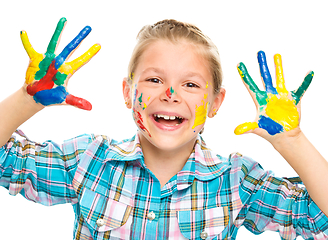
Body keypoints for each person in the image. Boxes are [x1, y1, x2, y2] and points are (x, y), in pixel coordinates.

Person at [0, 17, 327, 240]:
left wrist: (292, 141)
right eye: (154, 80)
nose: (170, 95)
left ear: (215, 103)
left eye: (190, 84)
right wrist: (28, 100)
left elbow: (317, 217)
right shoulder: (89, 161)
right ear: (128, 93)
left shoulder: (237, 181)